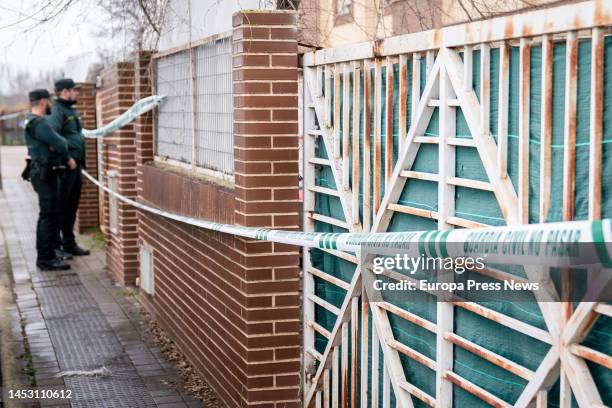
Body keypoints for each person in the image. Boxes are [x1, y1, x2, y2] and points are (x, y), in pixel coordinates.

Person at [25, 89, 77, 270]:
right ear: (42, 102)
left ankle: (49, 255)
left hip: (41, 172)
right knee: (48, 216)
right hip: (45, 174)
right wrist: (64, 152)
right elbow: (60, 142)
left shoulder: (30, 121)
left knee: (48, 215)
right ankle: (46, 259)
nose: (51, 105)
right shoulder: (39, 123)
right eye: (49, 102)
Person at [47, 78, 90, 256]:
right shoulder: (57, 111)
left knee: (72, 207)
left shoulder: (70, 109)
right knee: (62, 207)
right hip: (66, 167)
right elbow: (53, 138)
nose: (77, 92)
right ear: (65, 91)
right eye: (74, 90)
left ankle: (69, 243)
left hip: (76, 166)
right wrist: (67, 158)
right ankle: (57, 247)